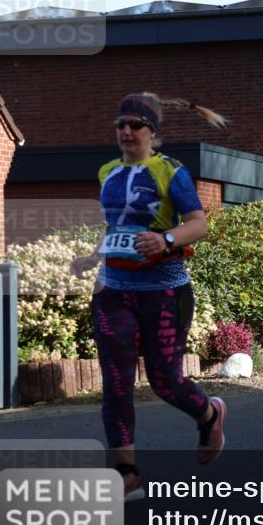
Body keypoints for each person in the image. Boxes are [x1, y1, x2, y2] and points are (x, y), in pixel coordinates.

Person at [70, 92, 229, 502]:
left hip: (164, 291)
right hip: (113, 291)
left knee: (165, 381)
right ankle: (127, 475)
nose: (126, 131)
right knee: (117, 386)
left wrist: (166, 239)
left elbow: (198, 223)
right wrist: (92, 257)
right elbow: (117, 227)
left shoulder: (170, 170)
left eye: (135, 125)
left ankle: (209, 414)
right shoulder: (107, 171)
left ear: (152, 132)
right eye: (120, 124)